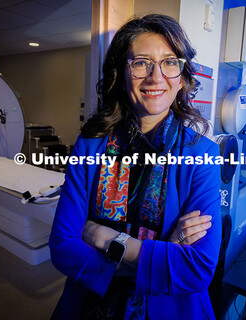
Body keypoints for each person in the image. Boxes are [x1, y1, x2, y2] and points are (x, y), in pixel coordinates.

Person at [49, 14, 221, 320]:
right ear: (121, 73)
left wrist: (107, 239)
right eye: (141, 62)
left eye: (170, 62)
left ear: (182, 77)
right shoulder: (90, 146)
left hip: (169, 309)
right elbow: (63, 247)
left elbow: (198, 269)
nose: (156, 78)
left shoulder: (202, 154)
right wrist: (165, 251)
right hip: (88, 307)